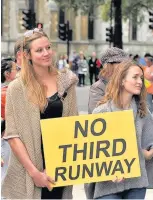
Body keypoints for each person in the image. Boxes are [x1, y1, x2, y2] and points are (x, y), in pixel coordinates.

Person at [2, 28, 78, 199]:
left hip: (60, 168)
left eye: (48, 48)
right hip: (27, 170)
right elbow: (13, 136)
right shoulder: (16, 88)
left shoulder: (67, 82)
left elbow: (74, 126)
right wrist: (35, 173)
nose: (46, 53)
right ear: (27, 55)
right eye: (39, 50)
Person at [85, 61, 153, 199]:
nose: (140, 81)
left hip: (136, 184)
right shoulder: (101, 112)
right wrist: (108, 170)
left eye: (141, 78)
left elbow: (150, 144)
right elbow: (90, 151)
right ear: (122, 80)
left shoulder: (143, 112)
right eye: (135, 77)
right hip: (106, 186)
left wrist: (145, 154)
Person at [88, 47, 129, 114]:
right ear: (108, 65)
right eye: (119, 62)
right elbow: (96, 115)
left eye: (125, 63)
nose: (124, 66)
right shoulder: (98, 87)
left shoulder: (128, 83)